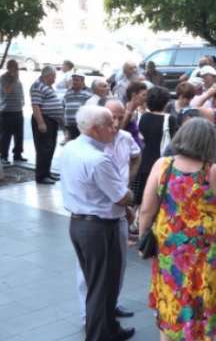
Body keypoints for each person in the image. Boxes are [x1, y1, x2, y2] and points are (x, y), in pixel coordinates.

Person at [138, 118, 216, 341]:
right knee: (203, 296)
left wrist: (144, 237)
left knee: (172, 296)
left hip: (171, 247)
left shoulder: (163, 165)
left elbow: (146, 209)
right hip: (207, 251)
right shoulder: (214, 171)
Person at [60, 105, 135, 341]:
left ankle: (109, 328)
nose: (114, 128)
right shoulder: (98, 159)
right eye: (109, 124)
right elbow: (122, 196)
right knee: (101, 286)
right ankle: (98, 335)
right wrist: (130, 198)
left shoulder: (73, 147)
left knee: (105, 282)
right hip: (98, 227)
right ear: (94, 129)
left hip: (83, 223)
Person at [75, 99, 140, 325]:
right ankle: (91, 316)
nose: (116, 121)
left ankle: (108, 309)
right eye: (111, 117)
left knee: (116, 266)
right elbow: (117, 194)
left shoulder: (124, 138)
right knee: (92, 273)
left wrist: (128, 182)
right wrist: (125, 197)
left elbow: (136, 155)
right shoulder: (92, 152)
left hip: (116, 213)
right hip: (97, 218)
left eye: (120, 116)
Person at [133, 87, 177, 205]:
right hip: (162, 164)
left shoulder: (143, 117)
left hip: (143, 164)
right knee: (159, 201)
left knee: (142, 201)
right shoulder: (170, 119)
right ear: (165, 102)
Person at [30, 66, 64, 184]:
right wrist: (41, 123)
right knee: (43, 149)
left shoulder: (47, 86)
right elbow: (35, 106)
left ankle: (47, 173)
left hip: (51, 120)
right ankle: (41, 176)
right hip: (44, 120)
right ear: (48, 75)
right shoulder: (37, 86)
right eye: (54, 76)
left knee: (50, 148)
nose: (55, 79)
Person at [0, 59, 26, 164]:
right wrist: (14, 79)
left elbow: (20, 91)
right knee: (6, 135)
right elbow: (7, 91)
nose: (16, 69)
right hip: (7, 111)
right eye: (14, 67)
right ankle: (3, 156)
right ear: (9, 67)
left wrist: (22, 101)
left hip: (18, 110)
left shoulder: (17, 78)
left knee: (19, 134)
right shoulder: (4, 78)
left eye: (17, 67)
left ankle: (18, 154)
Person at [62, 73, 92, 140]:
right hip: (69, 126)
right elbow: (63, 107)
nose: (74, 82)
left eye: (76, 80)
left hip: (82, 126)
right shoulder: (68, 92)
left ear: (82, 81)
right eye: (73, 80)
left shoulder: (88, 92)